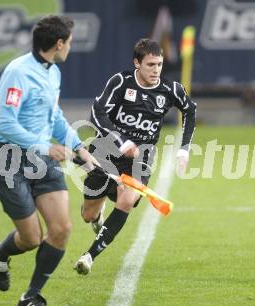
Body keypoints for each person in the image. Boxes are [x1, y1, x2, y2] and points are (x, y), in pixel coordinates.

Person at [0, 15, 96, 306]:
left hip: (41, 161)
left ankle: (30, 296)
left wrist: (78, 146)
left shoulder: (52, 72)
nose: (70, 48)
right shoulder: (18, 73)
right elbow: (5, 124)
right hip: (7, 161)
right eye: (69, 43)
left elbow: (55, 118)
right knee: (32, 238)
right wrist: (46, 147)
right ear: (58, 44)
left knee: (61, 228)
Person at [74, 38, 196, 275]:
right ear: (137, 63)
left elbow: (190, 111)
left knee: (127, 200)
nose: (156, 70)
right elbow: (97, 114)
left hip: (142, 155)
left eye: (159, 64)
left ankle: (89, 256)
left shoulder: (171, 89)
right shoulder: (121, 82)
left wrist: (184, 148)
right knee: (88, 214)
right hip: (107, 150)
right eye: (151, 64)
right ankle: (97, 214)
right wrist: (122, 141)